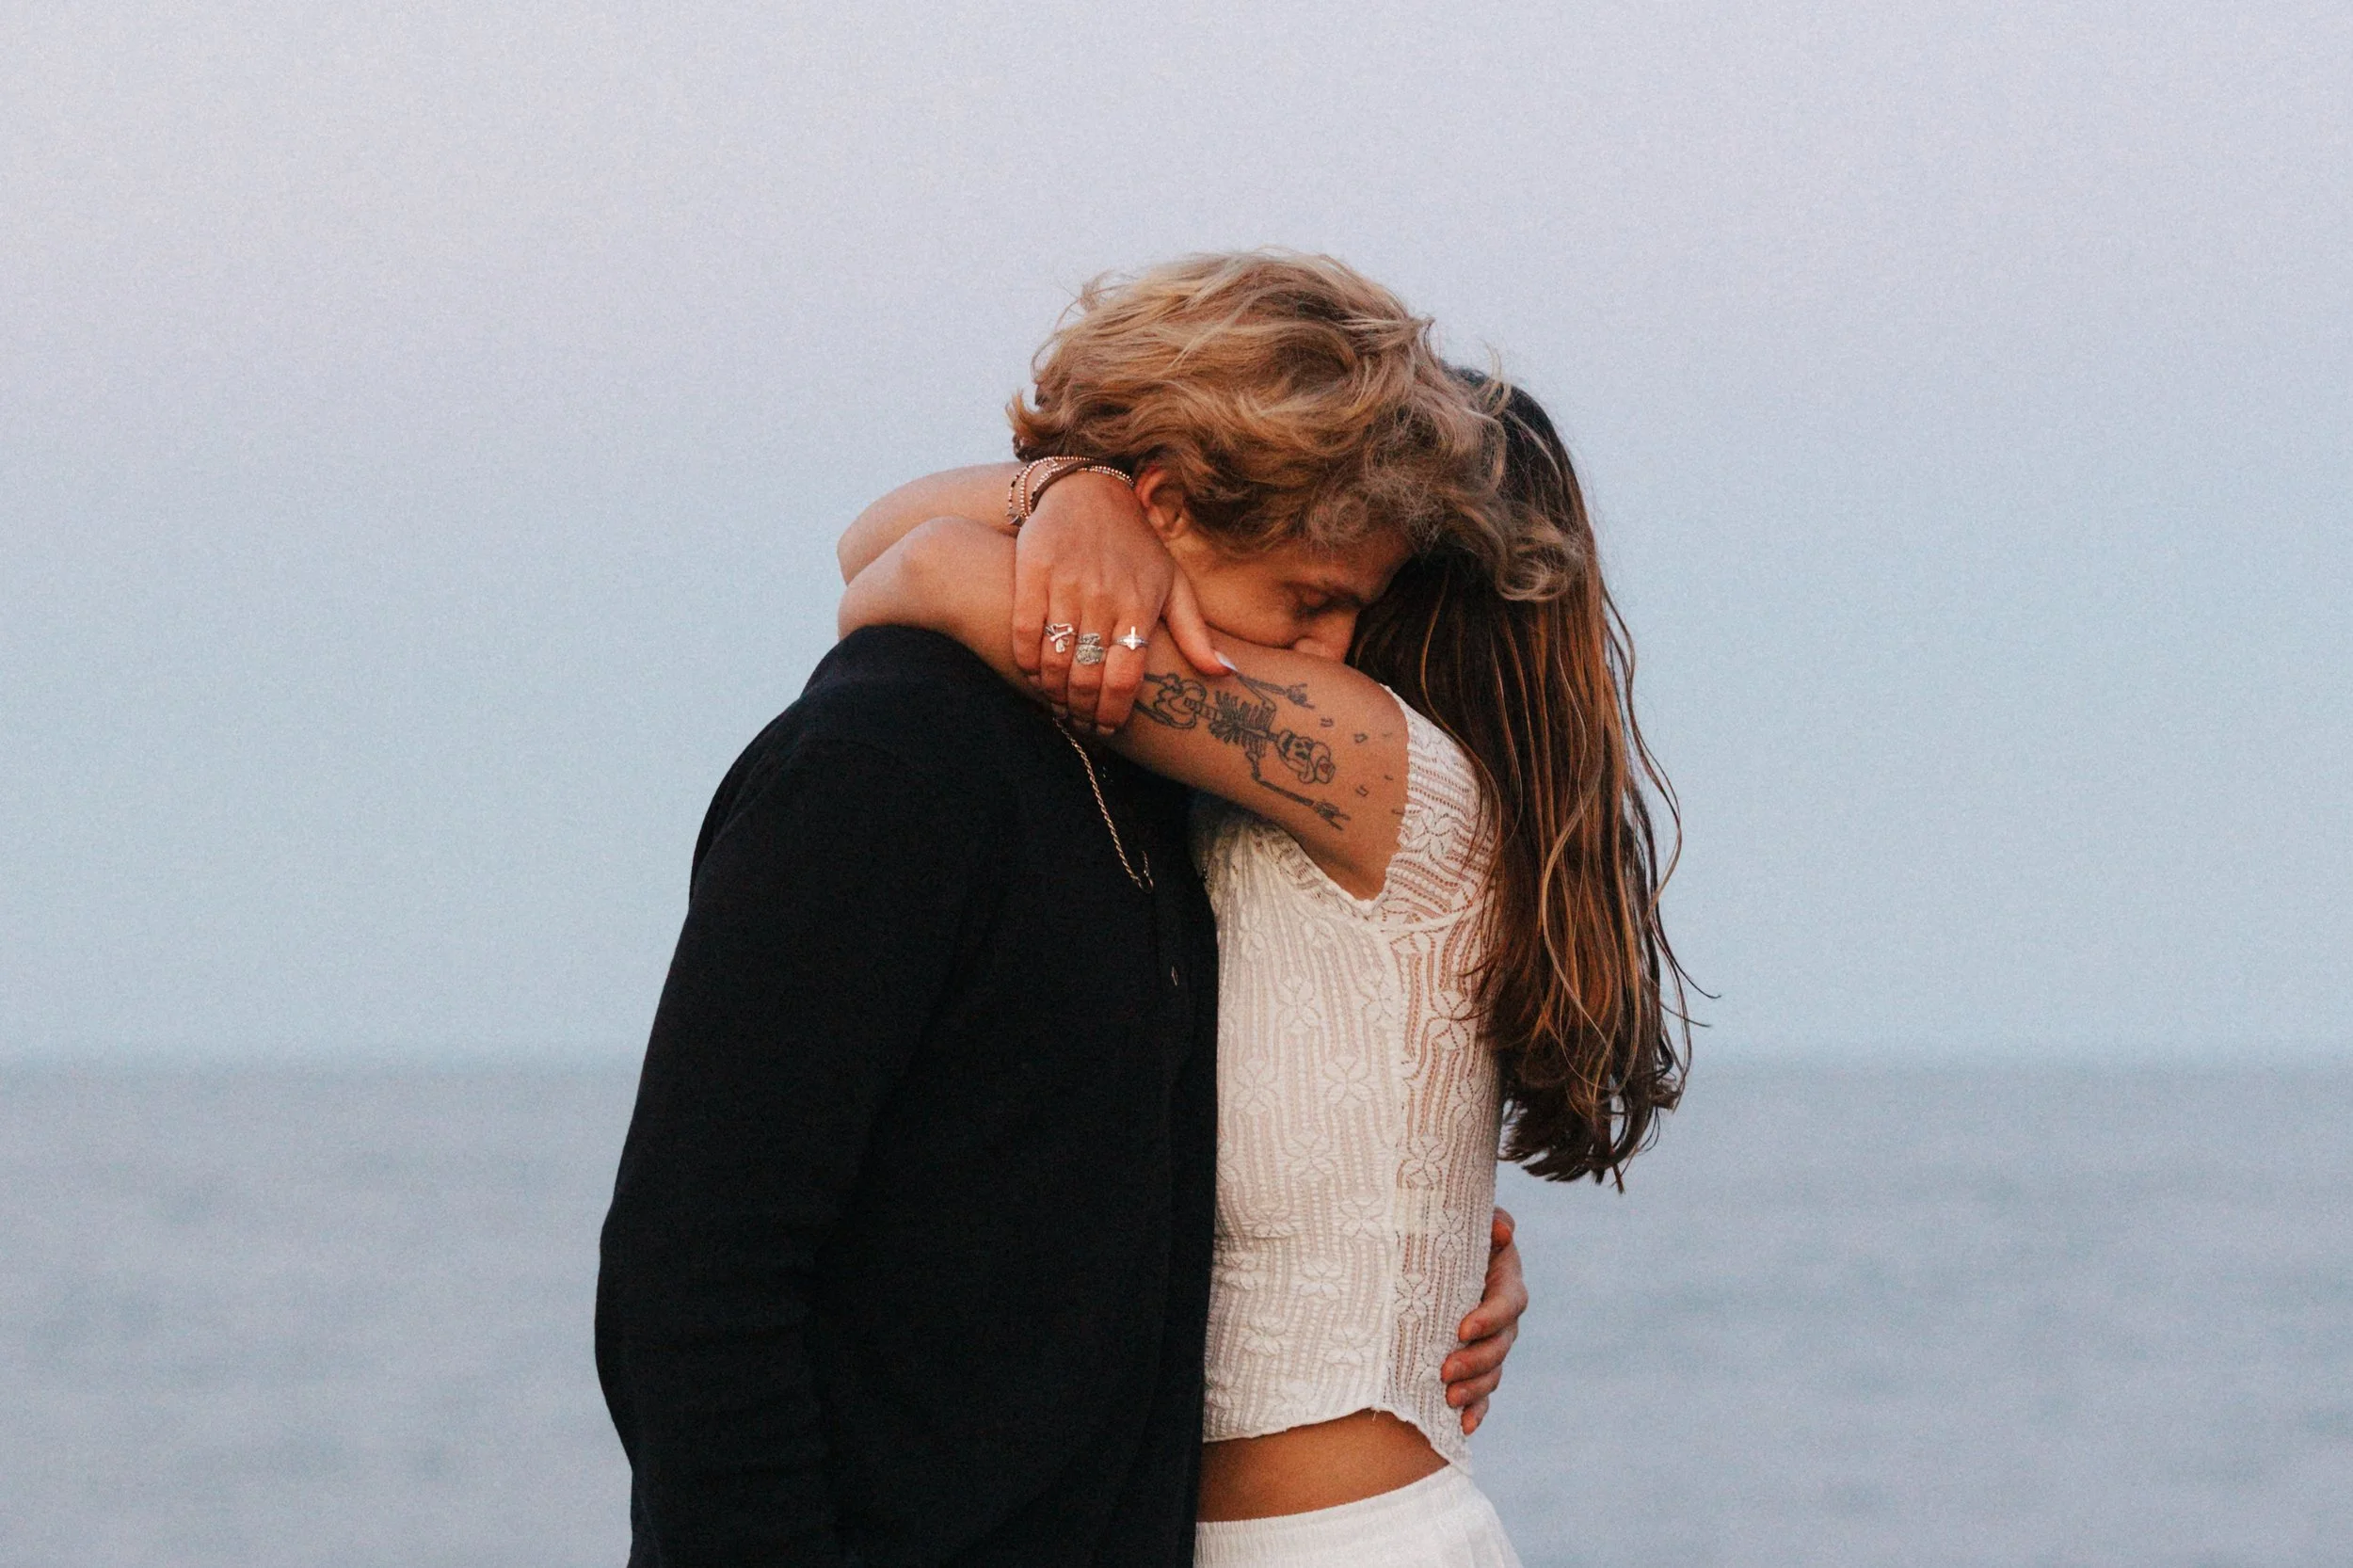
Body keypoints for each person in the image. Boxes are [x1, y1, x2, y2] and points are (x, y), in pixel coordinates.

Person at [596, 252, 1529, 1568]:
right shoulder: (890, 760)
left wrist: (1419, 1253)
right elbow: (692, 1275)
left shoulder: (1161, 805)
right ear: (1166, 511)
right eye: (1311, 600)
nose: (1325, 655)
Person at [840, 356, 1689, 1564]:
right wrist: (1077, 492)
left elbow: (907, 564)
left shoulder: (1372, 765)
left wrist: (1080, 506)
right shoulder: (1369, 797)